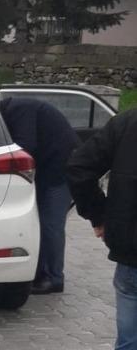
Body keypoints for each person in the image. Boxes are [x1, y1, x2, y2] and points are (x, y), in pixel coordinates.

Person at [67, 108, 137, 350]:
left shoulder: (126, 123)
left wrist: (99, 215)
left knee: (130, 341)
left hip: (132, 251)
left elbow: (79, 167)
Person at [0, 97, 81, 294]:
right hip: (50, 170)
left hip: (60, 171)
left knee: (50, 224)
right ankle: (40, 273)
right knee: (42, 224)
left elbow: (25, 145)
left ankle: (54, 278)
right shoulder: (19, 109)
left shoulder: (19, 108)